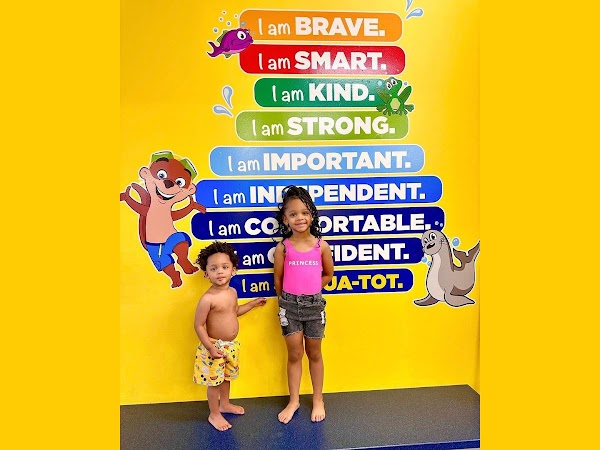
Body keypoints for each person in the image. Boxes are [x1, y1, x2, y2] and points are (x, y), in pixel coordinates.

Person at [273, 185, 334, 423]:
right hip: (288, 307)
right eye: (293, 214)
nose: (299, 218)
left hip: (314, 307)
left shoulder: (321, 246)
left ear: (312, 215)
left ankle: (318, 399)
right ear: (285, 219)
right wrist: (286, 302)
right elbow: (278, 280)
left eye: (304, 212)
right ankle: (294, 400)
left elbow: (328, 274)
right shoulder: (282, 248)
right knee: (295, 354)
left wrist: (312, 290)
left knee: (314, 353)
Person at [193, 241, 267, 431]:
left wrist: (252, 304)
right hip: (213, 347)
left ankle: (224, 404)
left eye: (224, 267)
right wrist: (210, 347)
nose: (219, 272)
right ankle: (214, 414)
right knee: (214, 383)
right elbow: (199, 325)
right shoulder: (208, 299)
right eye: (213, 268)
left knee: (226, 378)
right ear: (206, 273)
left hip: (230, 346)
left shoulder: (232, 292)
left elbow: (234, 311)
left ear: (233, 270)